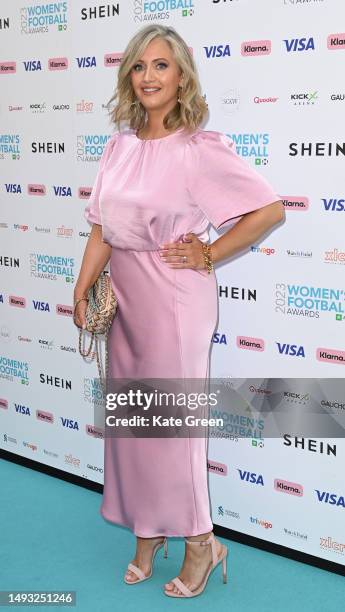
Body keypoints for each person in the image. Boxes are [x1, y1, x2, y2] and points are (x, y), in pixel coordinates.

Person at [73, 24, 284, 599]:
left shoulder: (198, 149)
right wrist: (82, 285)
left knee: (174, 430)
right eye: (140, 67)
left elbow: (267, 211)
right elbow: (101, 226)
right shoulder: (119, 146)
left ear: (183, 74)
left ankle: (201, 543)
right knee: (136, 424)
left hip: (174, 299)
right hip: (127, 298)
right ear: (128, 77)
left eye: (161, 66)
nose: (149, 77)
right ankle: (147, 532)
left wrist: (210, 251)